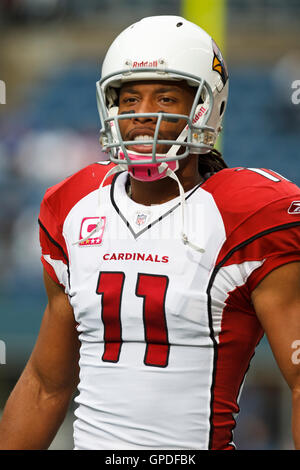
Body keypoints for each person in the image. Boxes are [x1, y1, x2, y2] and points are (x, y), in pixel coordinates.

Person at [0, 15, 299, 451]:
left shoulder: (250, 213)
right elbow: (46, 383)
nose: (143, 115)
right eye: (130, 98)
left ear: (204, 107)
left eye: (165, 97)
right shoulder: (73, 205)